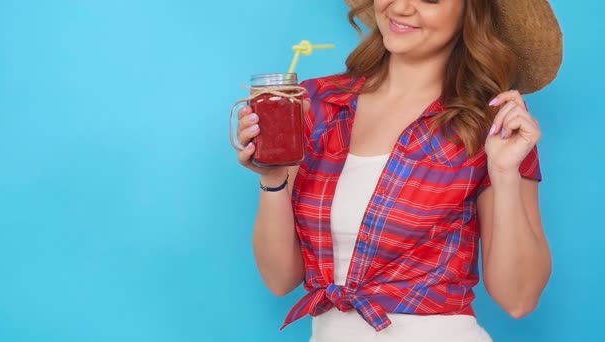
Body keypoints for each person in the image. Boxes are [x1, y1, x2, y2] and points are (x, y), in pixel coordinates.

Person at [235, 0, 562, 341]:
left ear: (471, 11)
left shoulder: (491, 127)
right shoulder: (316, 104)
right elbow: (280, 280)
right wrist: (272, 179)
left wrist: (505, 174)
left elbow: (519, 299)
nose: (402, 6)